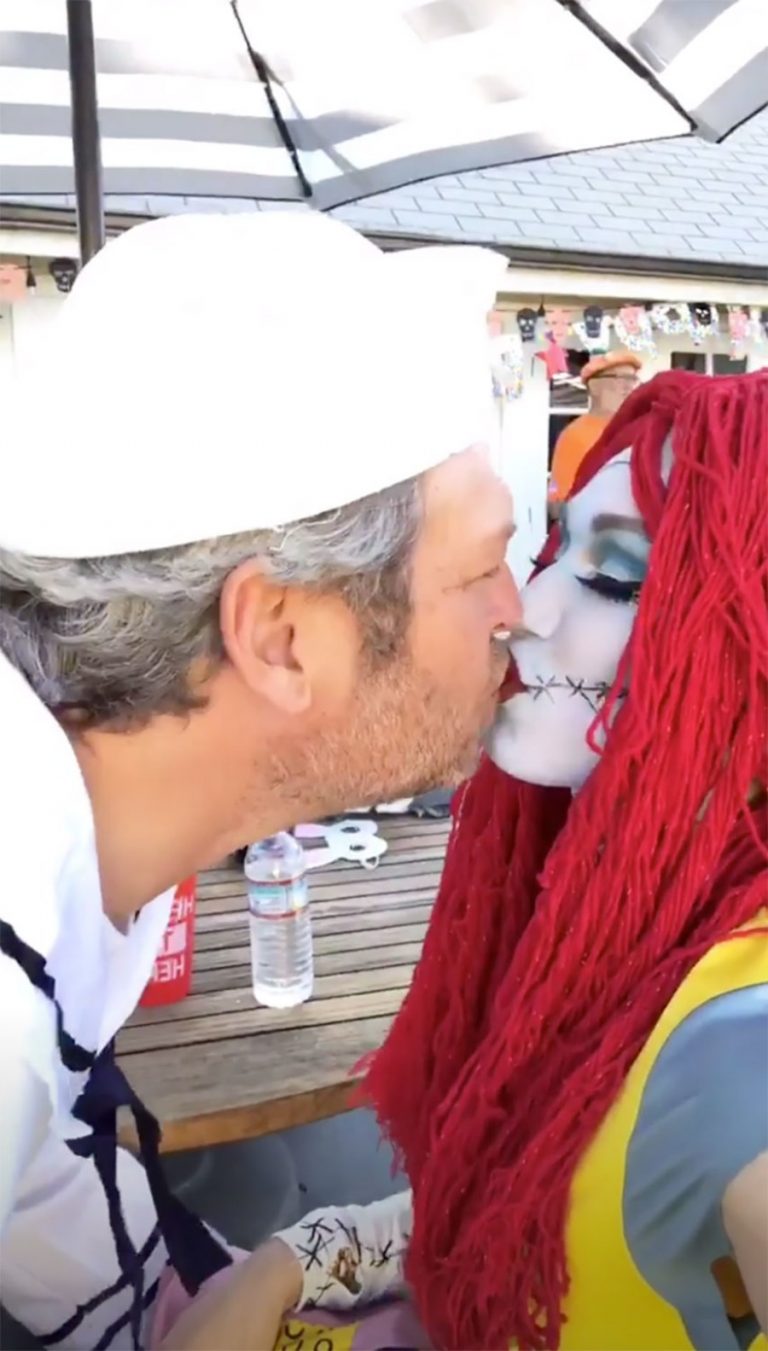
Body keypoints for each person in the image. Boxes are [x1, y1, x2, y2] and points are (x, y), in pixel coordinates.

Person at [0, 211, 522, 1349]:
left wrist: (296, 1278)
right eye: (483, 567)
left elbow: (71, 1249)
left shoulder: (77, 852)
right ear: (280, 637)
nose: (517, 613)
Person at [264, 369, 766, 1349]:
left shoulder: (743, 1056)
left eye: (617, 576)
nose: (527, 606)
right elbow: (545, 1183)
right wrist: (302, 1256)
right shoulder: (612, 906)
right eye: (555, 549)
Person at [548, 350, 642, 510]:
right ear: (595, 387)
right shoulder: (574, 436)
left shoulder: (642, 429)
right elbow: (558, 504)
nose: (628, 386)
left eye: (632, 379)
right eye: (620, 378)